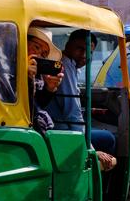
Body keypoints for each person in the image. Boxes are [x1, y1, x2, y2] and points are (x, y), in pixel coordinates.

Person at [46, 29, 116, 169]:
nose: (84, 55)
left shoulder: (69, 65)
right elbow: (72, 113)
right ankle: (99, 185)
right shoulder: (64, 65)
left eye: (89, 52)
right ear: (68, 45)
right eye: (79, 48)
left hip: (59, 125)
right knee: (109, 138)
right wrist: (91, 149)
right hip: (61, 130)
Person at [27, 27, 64, 134]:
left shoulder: (37, 73)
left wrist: (49, 88)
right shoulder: (4, 66)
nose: (38, 55)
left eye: (43, 54)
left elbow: (37, 103)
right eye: (36, 47)